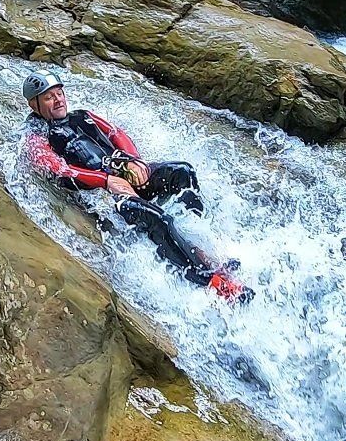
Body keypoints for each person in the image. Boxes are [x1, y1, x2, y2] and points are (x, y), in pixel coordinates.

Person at [22, 69, 252, 303]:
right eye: (49, 97)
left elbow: (114, 133)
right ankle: (208, 280)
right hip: (104, 196)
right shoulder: (38, 137)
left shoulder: (82, 115)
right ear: (34, 104)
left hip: (124, 174)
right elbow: (60, 170)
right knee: (158, 219)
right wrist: (106, 181)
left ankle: (205, 245)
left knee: (183, 173)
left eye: (59, 93)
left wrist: (135, 161)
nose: (59, 99)